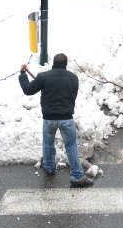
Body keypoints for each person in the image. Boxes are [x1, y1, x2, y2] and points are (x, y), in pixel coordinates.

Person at [19, 53, 93, 188]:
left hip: (49, 119)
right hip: (66, 118)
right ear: (66, 64)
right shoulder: (73, 78)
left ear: (54, 62)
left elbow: (28, 90)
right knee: (71, 147)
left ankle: (49, 167)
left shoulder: (43, 77)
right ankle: (77, 176)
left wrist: (23, 74)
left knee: (48, 144)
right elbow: (72, 96)